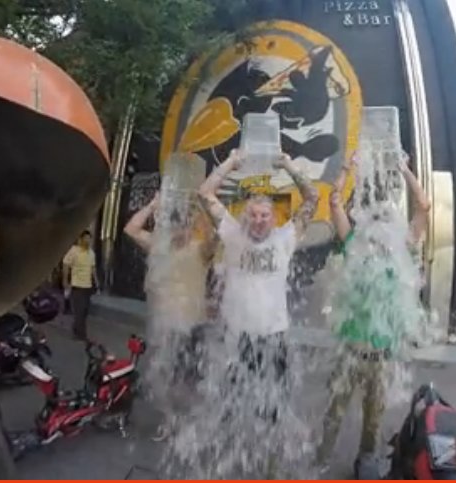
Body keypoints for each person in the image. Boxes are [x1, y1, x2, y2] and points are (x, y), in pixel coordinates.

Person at [197, 149, 319, 461]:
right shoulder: (232, 235)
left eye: (264, 215)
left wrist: (289, 164)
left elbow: (311, 197)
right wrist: (230, 163)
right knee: (230, 396)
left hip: (274, 336)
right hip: (237, 336)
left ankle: (270, 453)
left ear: (273, 217)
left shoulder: (285, 238)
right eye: (253, 214)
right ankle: (226, 448)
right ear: (245, 216)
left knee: (273, 400)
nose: (259, 220)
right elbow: (205, 193)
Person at [315, 152, 430, 473]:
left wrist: (405, 169)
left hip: (381, 356)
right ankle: (321, 458)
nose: (379, 224)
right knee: (333, 411)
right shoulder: (352, 242)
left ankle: (365, 462)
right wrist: (346, 168)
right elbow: (335, 202)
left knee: (373, 418)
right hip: (349, 351)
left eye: (385, 217)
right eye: (374, 218)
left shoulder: (403, 248)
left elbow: (424, 207)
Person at [124, 192, 218, 442]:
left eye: (185, 225)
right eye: (175, 224)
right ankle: (170, 420)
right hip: (164, 325)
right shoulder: (159, 244)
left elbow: (215, 239)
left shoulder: (199, 249)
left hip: (192, 326)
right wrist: (153, 205)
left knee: (190, 380)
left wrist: (201, 213)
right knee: (163, 377)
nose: (180, 230)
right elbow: (131, 229)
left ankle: (190, 422)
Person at [62, 230, 99, 340]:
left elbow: (93, 269)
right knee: (79, 310)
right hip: (77, 286)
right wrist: (65, 280)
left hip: (87, 286)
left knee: (84, 311)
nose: (88, 241)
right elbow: (66, 264)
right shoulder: (74, 250)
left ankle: (76, 329)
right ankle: (81, 334)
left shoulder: (91, 253)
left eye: (89, 238)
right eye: (86, 238)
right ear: (81, 239)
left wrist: (97, 282)